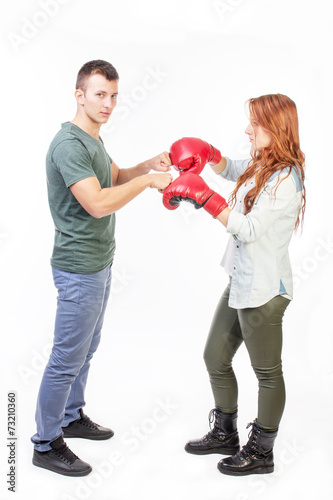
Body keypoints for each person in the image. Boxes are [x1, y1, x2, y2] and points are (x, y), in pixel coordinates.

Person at [31, 59, 173, 477]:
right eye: (99, 94)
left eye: (113, 95)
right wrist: (147, 184)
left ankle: (71, 417)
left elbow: (113, 178)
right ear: (79, 95)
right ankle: (45, 442)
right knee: (65, 357)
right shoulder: (69, 145)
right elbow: (96, 204)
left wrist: (147, 166)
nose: (108, 103)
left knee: (86, 349)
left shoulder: (94, 139)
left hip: (99, 264)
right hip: (78, 269)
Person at [163, 94, 305, 476]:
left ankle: (262, 453)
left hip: (263, 292)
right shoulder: (263, 163)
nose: (247, 130)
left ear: (275, 128)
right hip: (242, 280)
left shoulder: (285, 178)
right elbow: (233, 171)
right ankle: (225, 434)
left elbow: (250, 229)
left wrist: (205, 198)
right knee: (214, 357)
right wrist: (208, 154)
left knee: (267, 373)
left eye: (254, 125)